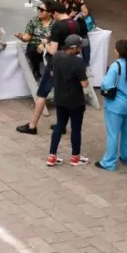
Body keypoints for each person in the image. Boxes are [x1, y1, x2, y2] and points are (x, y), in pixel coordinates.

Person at [15, 1, 87, 135]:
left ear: (55, 13)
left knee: (42, 93)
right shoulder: (74, 24)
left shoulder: (57, 27)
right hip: (72, 63)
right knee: (64, 92)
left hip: (57, 63)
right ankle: (62, 125)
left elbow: (53, 50)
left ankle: (32, 125)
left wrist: (44, 43)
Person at [95, 40, 127, 171]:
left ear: (118, 51)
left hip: (115, 105)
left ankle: (109, 162)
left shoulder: (115, 66)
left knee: (113, 133)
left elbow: (106, 84)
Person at [47, 35, 90, 166]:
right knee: (76, 128)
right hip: (75, 101)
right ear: (73, 48)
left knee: (60, 125)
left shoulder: (57, 56)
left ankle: (52, 156)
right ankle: (75, 157)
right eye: (79, 47)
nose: (81, 49)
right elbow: (84, 84)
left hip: (60, 98)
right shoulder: (78, 62)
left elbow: (52, 74)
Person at [16, 0, 53, 79]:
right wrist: (21, 37)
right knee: (32, 48)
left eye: (42, 10)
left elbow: (57, 37)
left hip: (49, 47)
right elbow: (27, 37)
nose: (39, 11)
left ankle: (51, 73)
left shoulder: (54, 23)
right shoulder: (34, 21)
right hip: (35, 47)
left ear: (49, 12)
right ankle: (36, 71)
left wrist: (44, 44)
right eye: (38, 8)